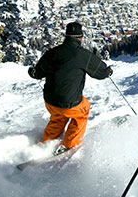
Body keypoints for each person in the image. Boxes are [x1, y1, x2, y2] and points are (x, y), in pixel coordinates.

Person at [28, 21, 112, 154]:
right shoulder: (83, 55)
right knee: (82, 112)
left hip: (50, 101)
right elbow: (100, 72)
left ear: (66, 36)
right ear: (81, 37)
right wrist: (108, 72)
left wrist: (32, 71)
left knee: (58, 116)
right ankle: (69, 144)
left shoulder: (53, 52)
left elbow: (37, 73)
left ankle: (47, 142)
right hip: (69, 103)